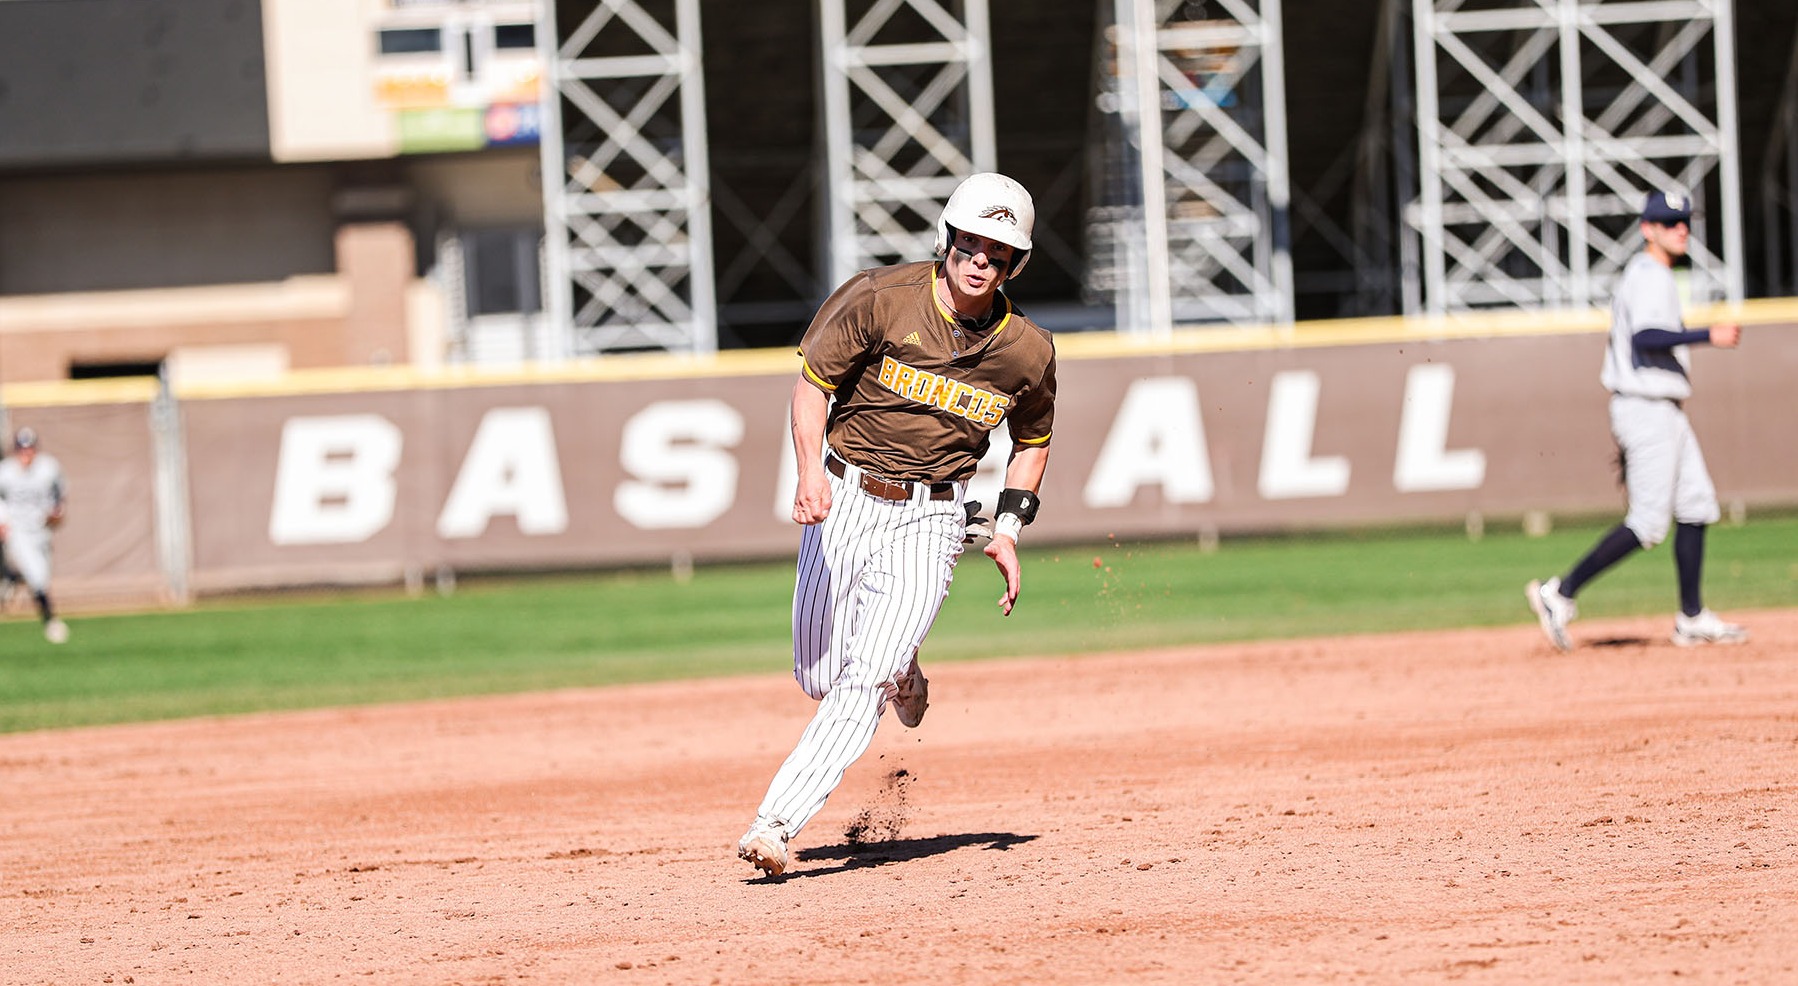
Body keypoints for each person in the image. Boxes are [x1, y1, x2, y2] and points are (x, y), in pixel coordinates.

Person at [736, 173, 1057, 877]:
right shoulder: (880, 297)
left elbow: (1032, 442)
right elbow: (813, 387)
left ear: (1014, 265)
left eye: (997, 253)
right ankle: (905, 666)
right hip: (846, 495)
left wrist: (1006, 530)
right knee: (820, 675)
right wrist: (810, 472)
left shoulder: (1026, 351)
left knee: (866, 678)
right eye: (970, 243)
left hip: (935, 514)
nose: (980, 260)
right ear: (948, 239)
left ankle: (776, 821)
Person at [1527, 190, 1747, 652]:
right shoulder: (1647, 274)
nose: (1681, 228)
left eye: (1684, 220)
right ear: (1647, 229)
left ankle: (1691, 618)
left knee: (1697, 504)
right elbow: (1646, 337)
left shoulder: (1659, 274)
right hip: (1644, 406)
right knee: (1648, 523)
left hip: (1663, 408)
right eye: (1669, 222)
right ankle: (1559, 593)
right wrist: (1710, 333)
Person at [0, 427, 70, 643]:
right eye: (22, 450)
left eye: (29, 449)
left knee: (41, 576)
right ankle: (51, 621)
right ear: (16, 451)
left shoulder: (48, 468)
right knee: (36, 575)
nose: (26, 454)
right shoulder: (6, 471)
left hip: (41, 530)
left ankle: (10, 577)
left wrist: (57, 512)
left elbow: (59, 495)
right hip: (17, 529)